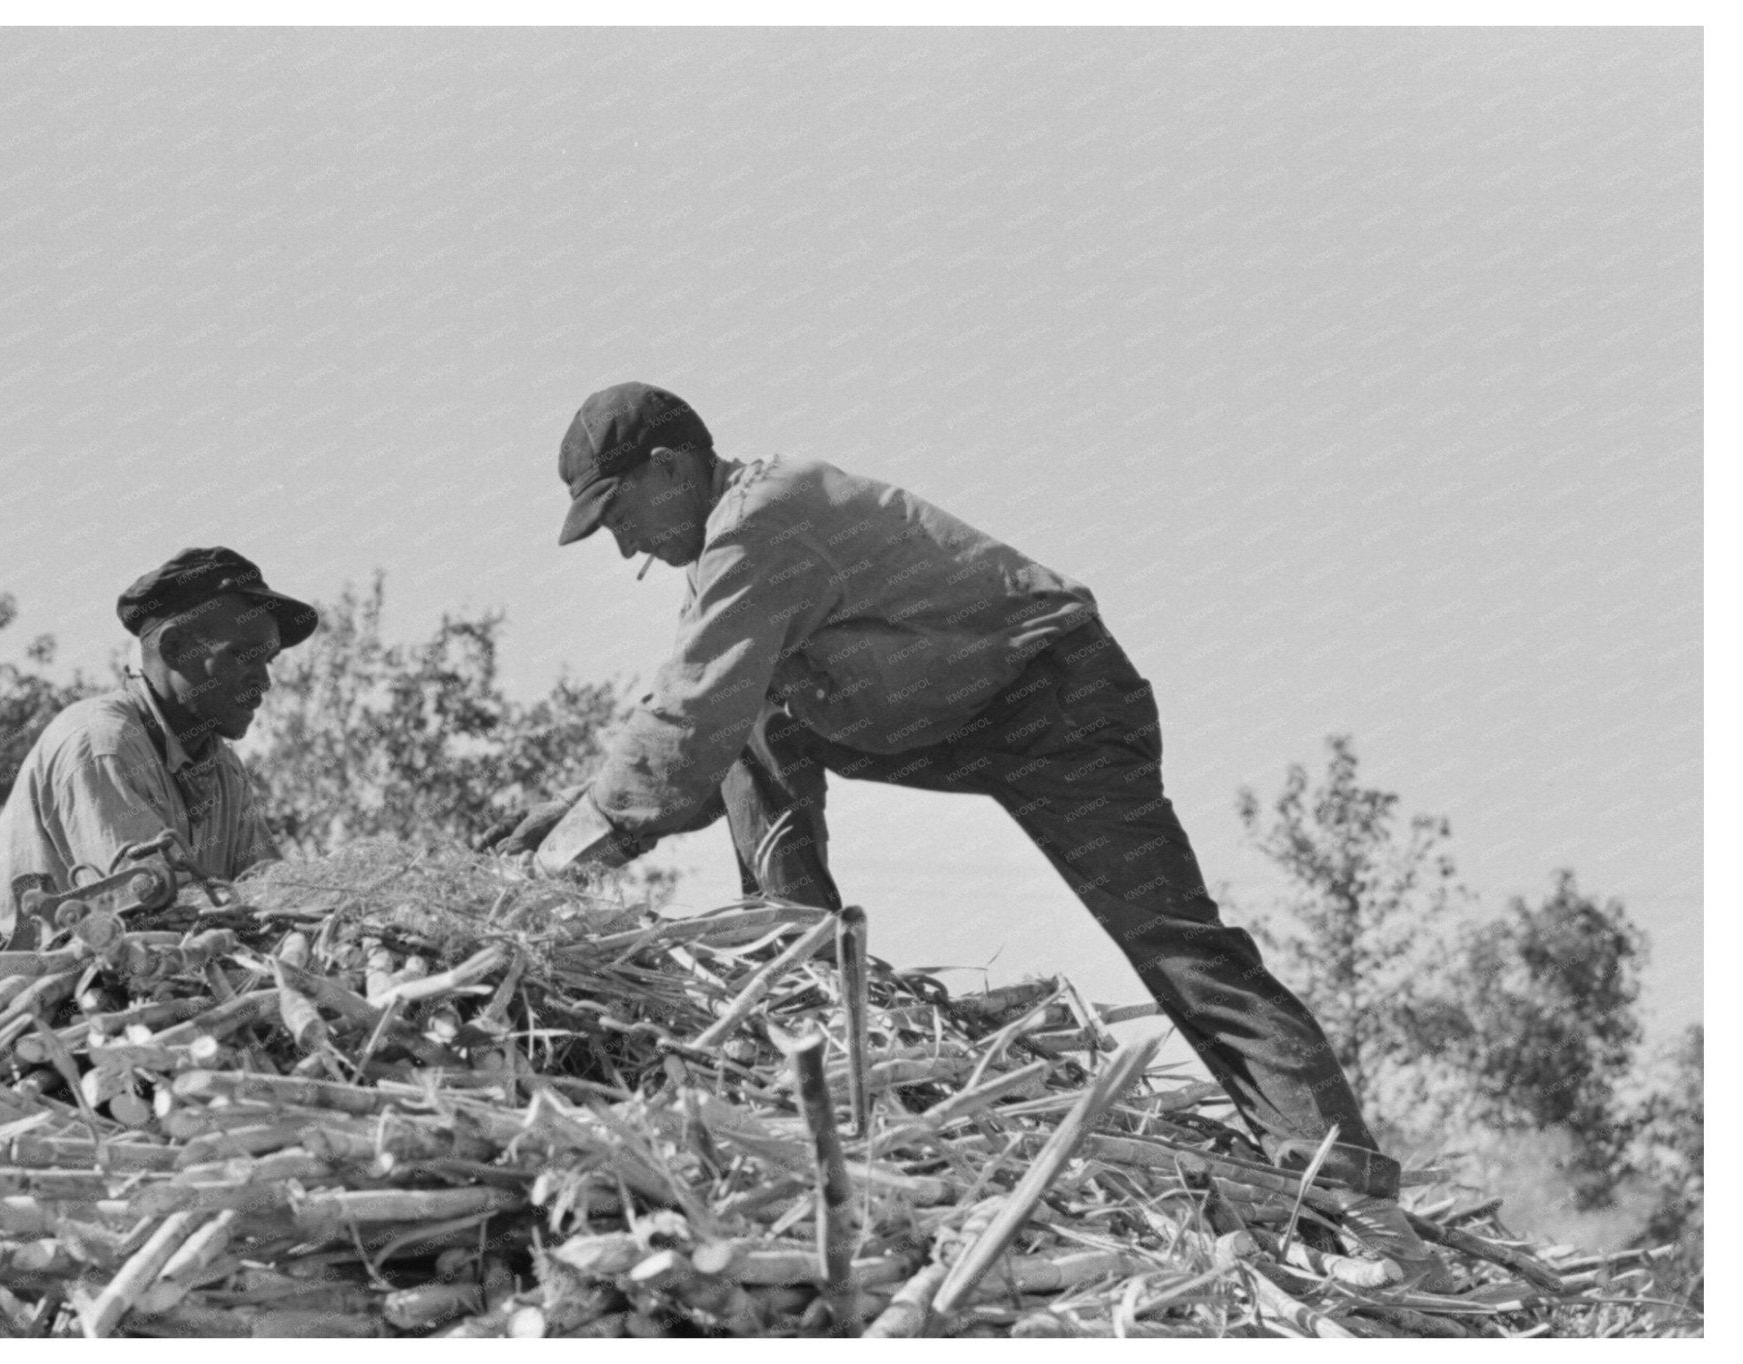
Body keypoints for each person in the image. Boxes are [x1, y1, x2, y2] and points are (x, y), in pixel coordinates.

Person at [496, 381, 1442, 1273]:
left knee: (1177, 944)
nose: (626, 550)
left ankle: (1352, 1192)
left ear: (671, 468)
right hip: (949, 705)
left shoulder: (757, 526)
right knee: (757, 713)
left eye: (620, 517)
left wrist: (563, 859)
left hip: (1056, 699)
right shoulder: (738, 541)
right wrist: (589, 803)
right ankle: (801, 974)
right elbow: (701, 733)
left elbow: (689, 719)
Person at [0, 547, 317, 954]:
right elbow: (158, 910)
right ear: (174, 648)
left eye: (268, 661)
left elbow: (273, 898)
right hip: (4, 985)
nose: (264, 681)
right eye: (242, 656)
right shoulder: (100, 745)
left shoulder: (223, 771)